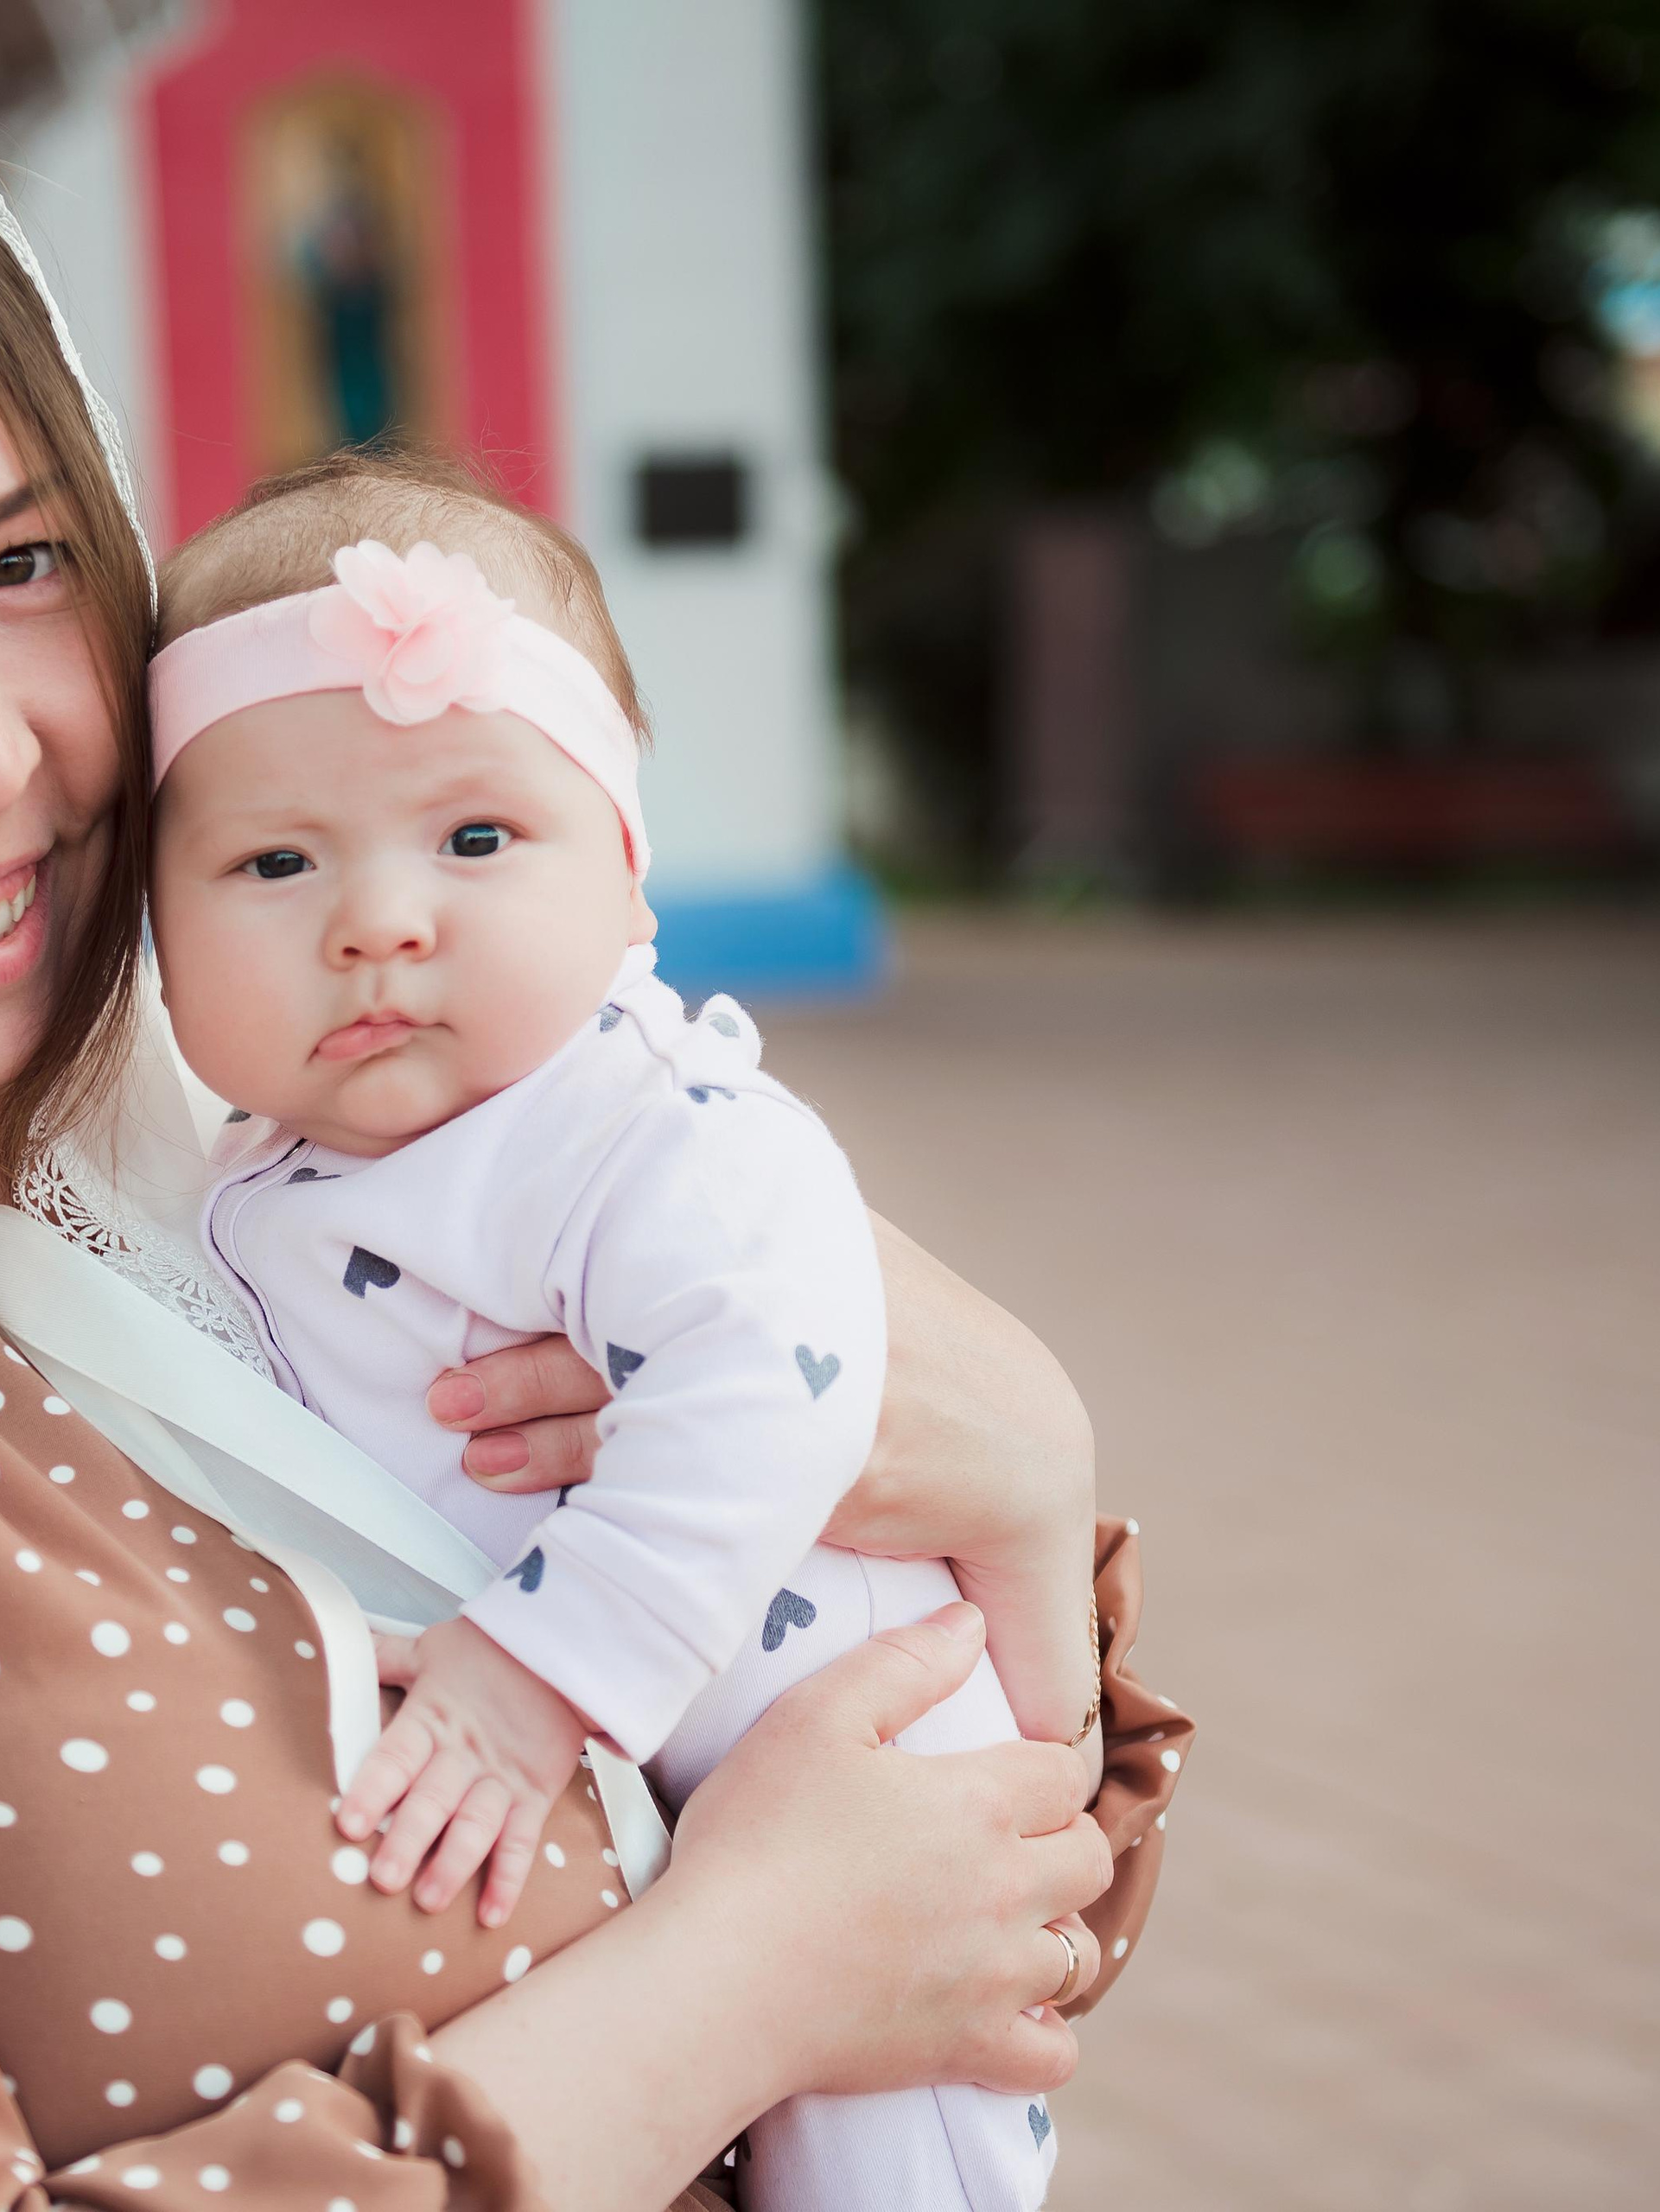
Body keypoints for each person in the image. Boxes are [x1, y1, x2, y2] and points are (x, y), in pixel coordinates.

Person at [0, 31, 1185, 2210]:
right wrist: (742, 1978)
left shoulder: (217, 1132)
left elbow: (1000, 1906)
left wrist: (1027, 1455)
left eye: (17, 566)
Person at [145, 459, 1083, 2212]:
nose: (378, 918)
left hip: (876, 1763)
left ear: (627, 871)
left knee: (891, 2164)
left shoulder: (643, 1120)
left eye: (477, 837)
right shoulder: (248, 1176)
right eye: (273, 858)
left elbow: (771, 1389)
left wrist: (533, 1680)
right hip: (687, 1827)